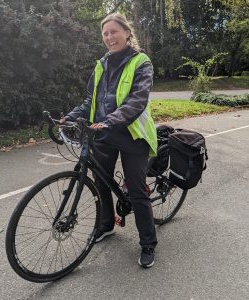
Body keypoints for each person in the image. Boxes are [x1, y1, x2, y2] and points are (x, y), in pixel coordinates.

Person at [60, 13, 158, 268]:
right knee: (100, 182)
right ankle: (106, 226)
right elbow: (88, 102)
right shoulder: (101, 64)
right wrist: (68, 118)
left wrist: (110, 121)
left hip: (132, 134)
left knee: (136, 191)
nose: (109, 37)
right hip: (102, 132)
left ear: (127, 33)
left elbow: (137, 100)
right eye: (105, 33)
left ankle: (148, 243)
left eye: (114, 31)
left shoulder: (141, 62)